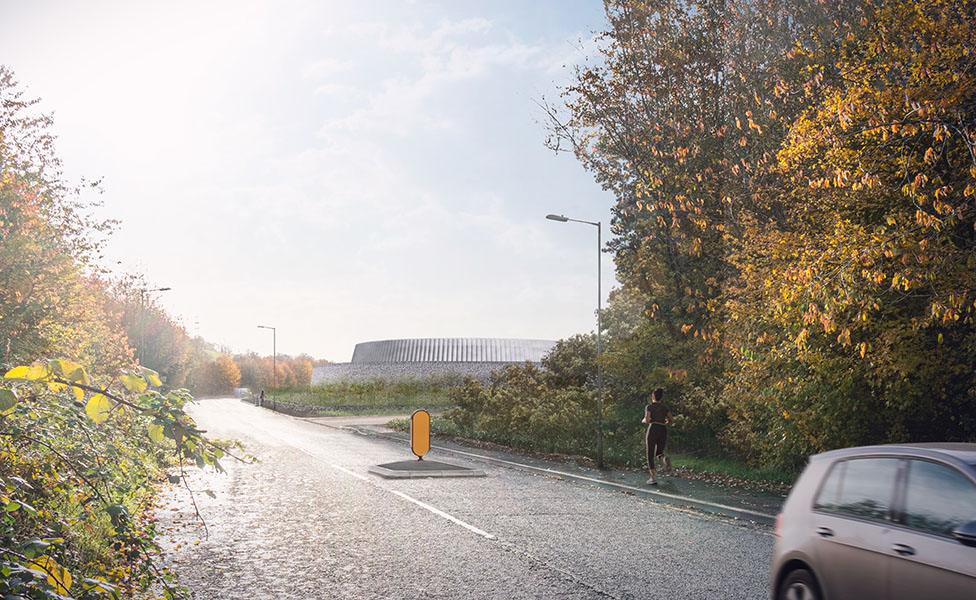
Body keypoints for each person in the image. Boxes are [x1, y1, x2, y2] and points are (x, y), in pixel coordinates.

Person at [642, 387, 672, 485]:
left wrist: (644, 420)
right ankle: (664, 459)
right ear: (661, 397)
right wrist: (665, 422)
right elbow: (671, 420)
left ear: (653, 396)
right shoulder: (665, 408)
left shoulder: (649, 407)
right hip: (663, 429)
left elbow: (647, 420)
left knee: (650, 454)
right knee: (659, 452)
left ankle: (653, 478)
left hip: (653, 428)